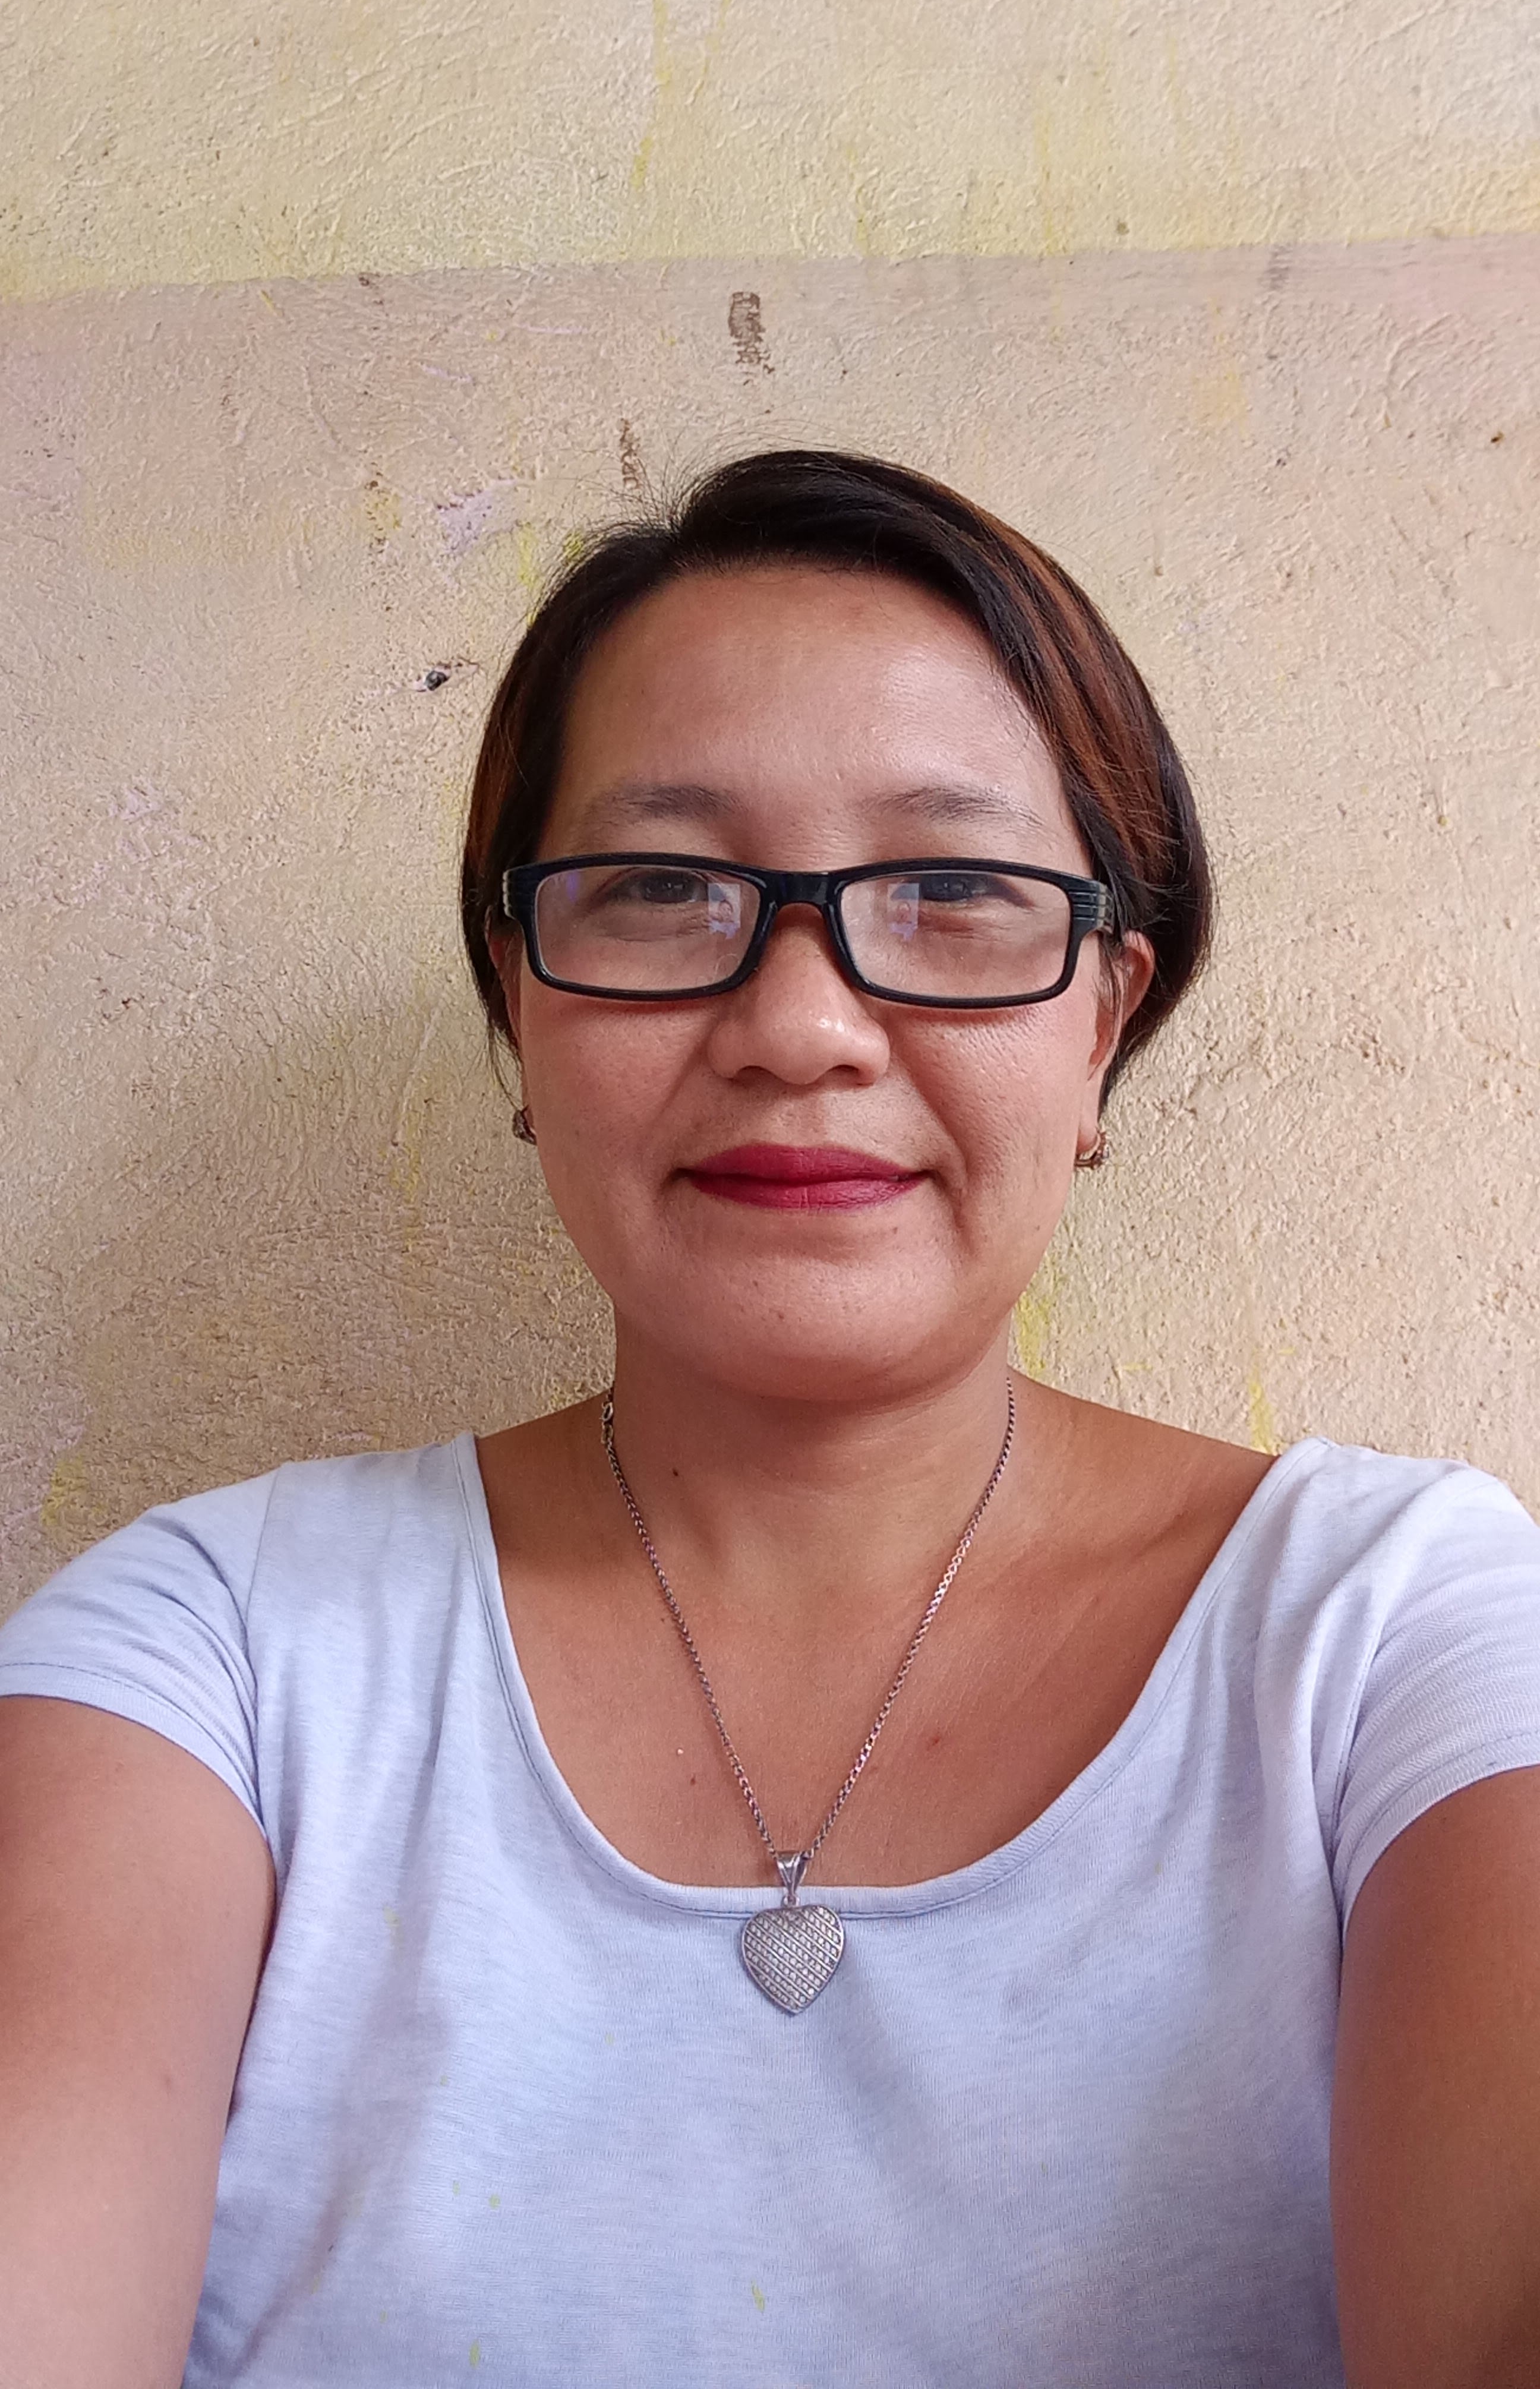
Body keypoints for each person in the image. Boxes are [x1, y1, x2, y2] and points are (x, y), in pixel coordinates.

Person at [3, 449, 1540, 2389]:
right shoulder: (211, 1657)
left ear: (1103, 1022)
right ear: (518, 1003)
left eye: (955, 892)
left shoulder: (1394, 1636)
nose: (803, 1026)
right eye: (662, 889)